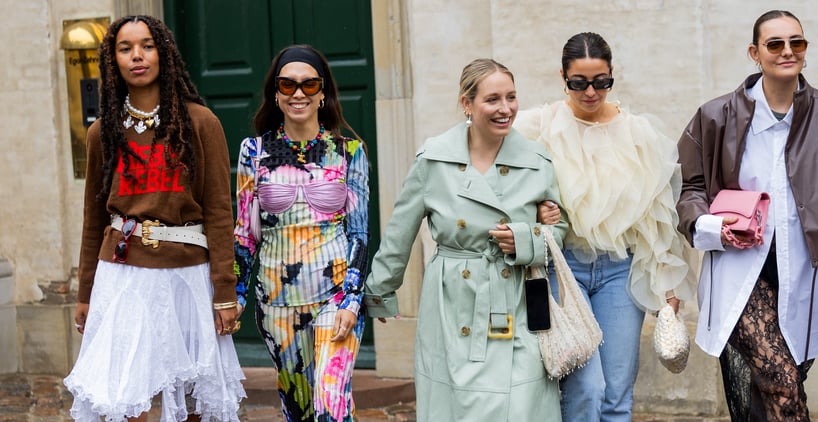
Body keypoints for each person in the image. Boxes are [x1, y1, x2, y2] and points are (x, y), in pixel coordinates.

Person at [675, 10, 818, 421]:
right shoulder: (715, 117)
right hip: (737, 274)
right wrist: (713, 226)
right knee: (783, 390)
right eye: (775, 44)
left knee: (769, 395)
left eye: (797, 42)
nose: (788, 51)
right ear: (755, 53)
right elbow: (690, 190)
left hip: (807, 278)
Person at [363, 58, 567, 421]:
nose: (505, 109)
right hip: (452, 299)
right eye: (493, 99)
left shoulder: (537, 161)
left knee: (521, 405)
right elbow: (400, 230)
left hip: (518, 299)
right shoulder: (434, 159)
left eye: (511, 97)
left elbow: (558, 231)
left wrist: (525, 239)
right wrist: (380, 290)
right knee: (458, 407)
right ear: (466, 104)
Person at [64, 15, 245, 421]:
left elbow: (219, 212)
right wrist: (85, 292)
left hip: (187, 274)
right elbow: (93, 219)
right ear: (113, 60)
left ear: (163, 53)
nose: (137, 56)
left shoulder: (201, 123)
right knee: (125, 396)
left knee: (194, 396)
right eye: (125, 48)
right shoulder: (102, 133)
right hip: (122, 276)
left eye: (147, 45)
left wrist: (224, 291)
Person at [513, 32, 697, 422]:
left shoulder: (638, 133)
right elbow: (495, 174)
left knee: (616, 393)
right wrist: (531, 213)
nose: (591, 92)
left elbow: (657, 215)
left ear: (613, 76)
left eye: (601, 81)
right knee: (585, 388)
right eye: (579, 82)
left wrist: (667, 283)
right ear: (562, 77)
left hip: (620, 272)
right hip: (562, 270)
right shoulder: (536, 127)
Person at [232, 45, 371, 422]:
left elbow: (359, 234)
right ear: (275, 94)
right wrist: (237, 293)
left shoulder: (348, 152)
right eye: (287, 84)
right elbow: (245, 233)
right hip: (277, 302)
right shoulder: (254, 151)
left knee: (331, 405)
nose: (298, 94)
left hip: (335, 295)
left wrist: (352, 298)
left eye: (309, 85)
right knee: (299, 409)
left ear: (322, 93)